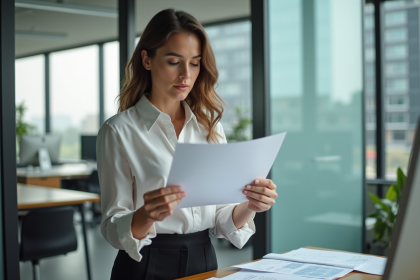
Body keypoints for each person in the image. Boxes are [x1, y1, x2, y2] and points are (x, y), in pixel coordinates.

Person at [96, 9, 278, 280]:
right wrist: (146, 215)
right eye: (174, 62)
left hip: (204, 259)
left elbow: (221, 217)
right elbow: (112, 226)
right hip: (145, 264)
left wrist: (252, 204)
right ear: (147, 59)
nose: (186, 75)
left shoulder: (209, 126)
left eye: (194, 63)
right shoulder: (119, 131)